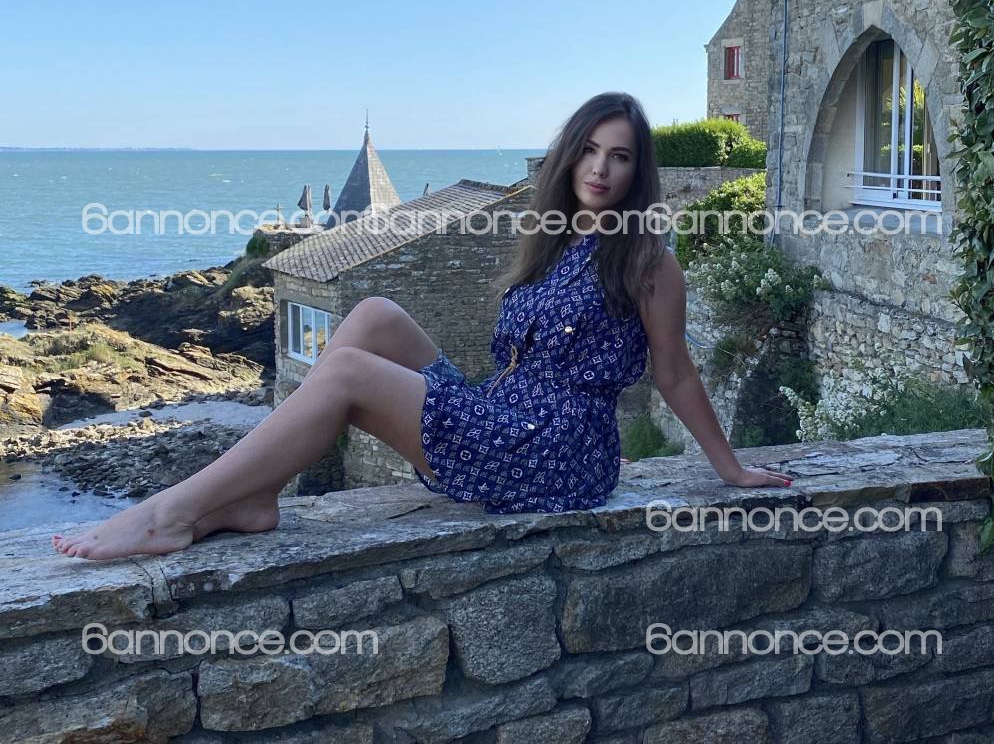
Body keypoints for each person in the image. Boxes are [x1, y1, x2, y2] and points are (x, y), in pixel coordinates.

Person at [53, 92, 791, 560]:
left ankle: (173, 513)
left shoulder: (650, 263)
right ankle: (255, 492)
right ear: (570, 158)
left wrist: (729, 468)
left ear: (637, 171)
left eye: (619, 156)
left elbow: (675, 374)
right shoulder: (554, 240)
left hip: (556, 451)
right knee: (375, 313)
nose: (600, 168)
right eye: (589, 150)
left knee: (346, 372)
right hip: (503, 415)